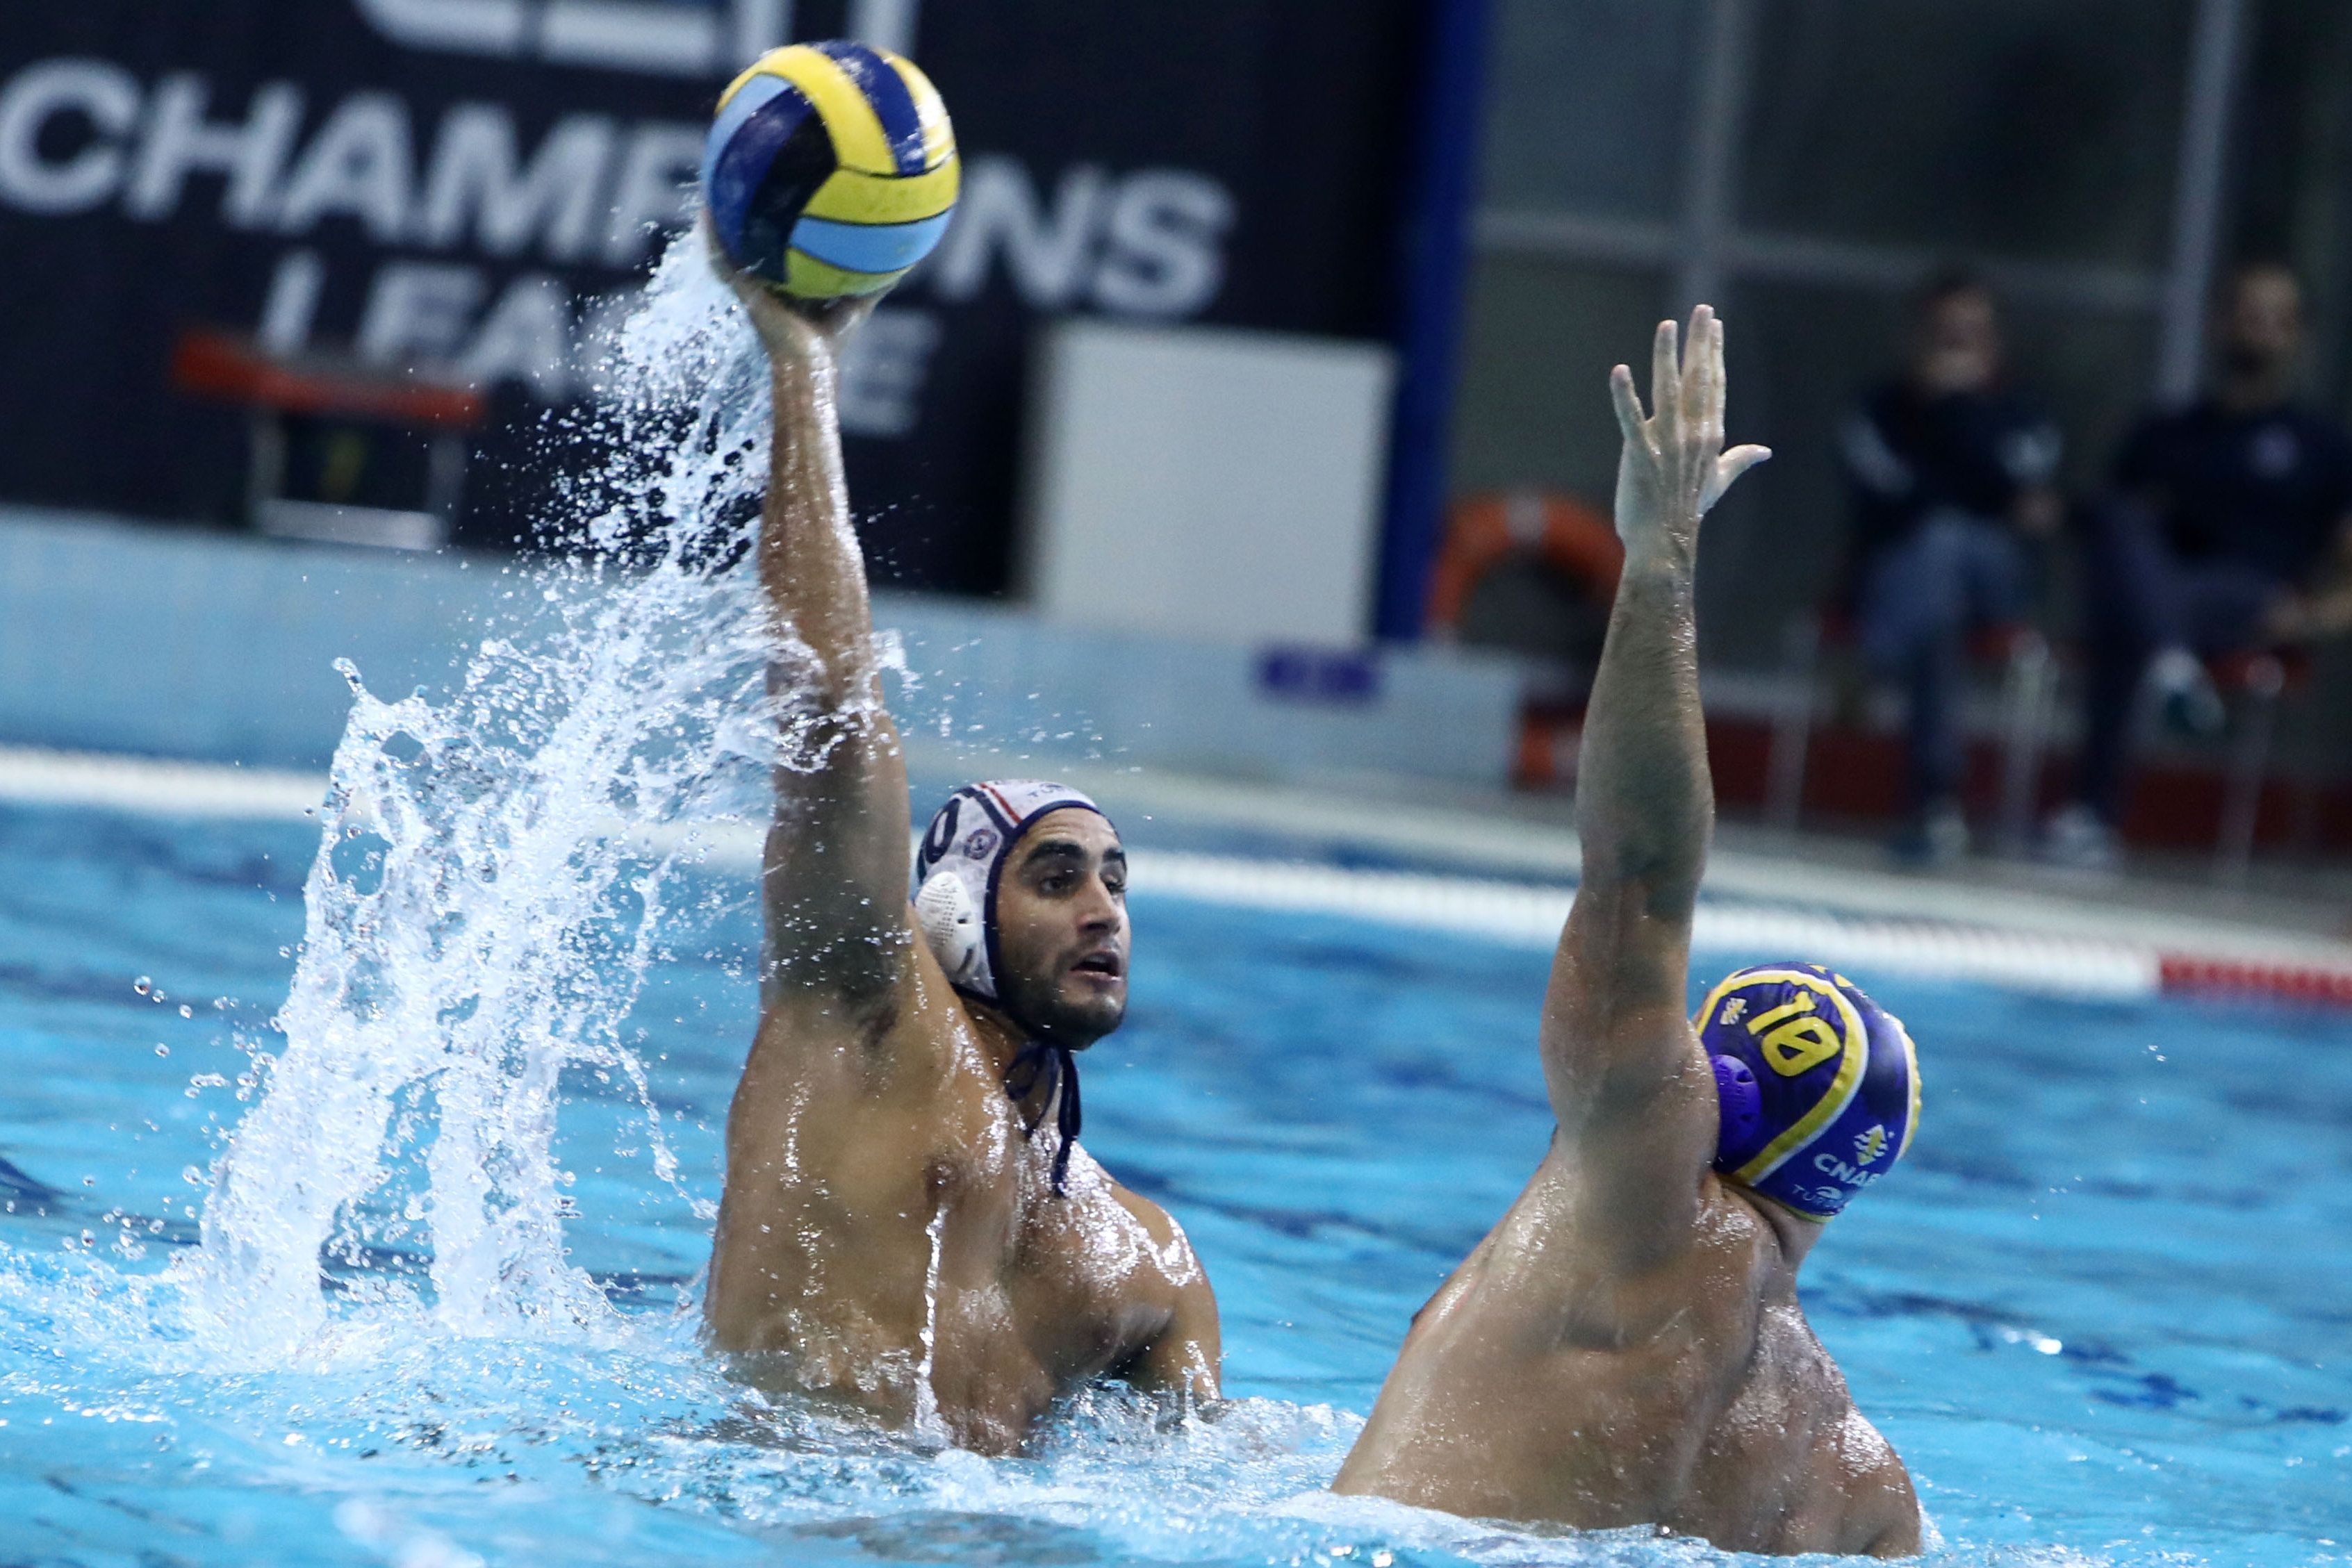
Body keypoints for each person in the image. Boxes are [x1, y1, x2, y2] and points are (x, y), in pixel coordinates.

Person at [1334, 308, 1925, 1558]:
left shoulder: (1645, 1183)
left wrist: (1660, 562)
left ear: (1713, 1090)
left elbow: (1640, 872)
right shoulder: (1863, 1487)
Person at [700, 250, 1220, 1454]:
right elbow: (829, 710)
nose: (1103, 907)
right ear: (950, 914)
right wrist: (803, 368)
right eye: (1055, 876)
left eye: (1115, 881)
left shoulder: (1151, 1260)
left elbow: (1215, 1477)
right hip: (767, 1507)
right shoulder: (866, 1011)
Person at [2048, 263, 2352, 870]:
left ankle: (2094, 812)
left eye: (2276, 318)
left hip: (2253, 606)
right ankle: (2171, 666)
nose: (2258, 329)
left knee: (2128, 620)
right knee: (2119, 527)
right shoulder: (2166, 433)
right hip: (2165, 596)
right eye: (2248, 313)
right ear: (2218, 322)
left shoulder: (2322, 447)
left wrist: (2308, 619)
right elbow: (2102, 536)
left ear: (2297, 335)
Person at [1839, 271, 2063, 864]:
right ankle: (1933, 804)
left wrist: (1956, 410)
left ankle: (1875, 662)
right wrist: (1966, 482)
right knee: (1936, 606)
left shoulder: (2023, 411)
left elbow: (2023, 497)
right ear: (1916, 337)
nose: (1955, 349)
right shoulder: (1879, 409)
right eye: (1944, 335)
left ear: (1994, 343)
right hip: (1907, 576)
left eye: (1969, 335)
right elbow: (1881, 502)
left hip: (1997, 580)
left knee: (1942, 541)